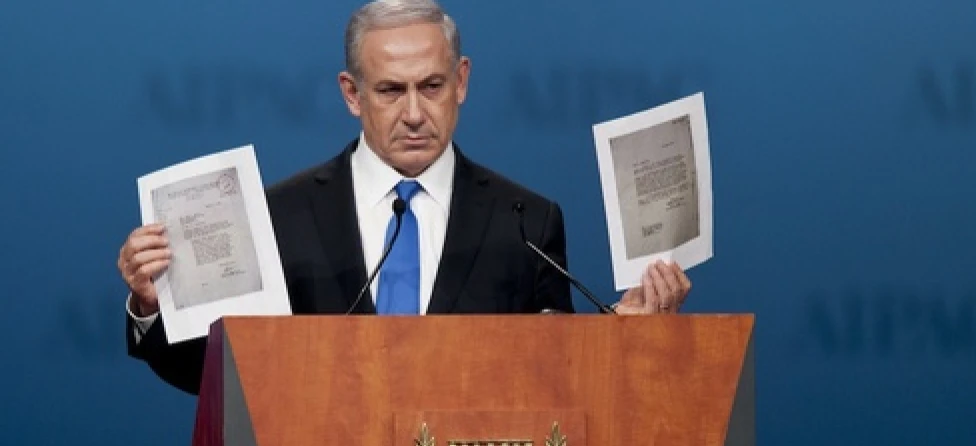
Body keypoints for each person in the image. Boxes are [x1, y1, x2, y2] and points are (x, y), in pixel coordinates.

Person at [117, 0, 692, 395]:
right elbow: (217, 378)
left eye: (432, 86)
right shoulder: (280, 217)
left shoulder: (525, 222)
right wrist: (150, 306)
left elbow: (555, 379)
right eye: (391, 90)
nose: (414, 113)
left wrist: (621, 339)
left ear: (461, 82)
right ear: (352, 94)